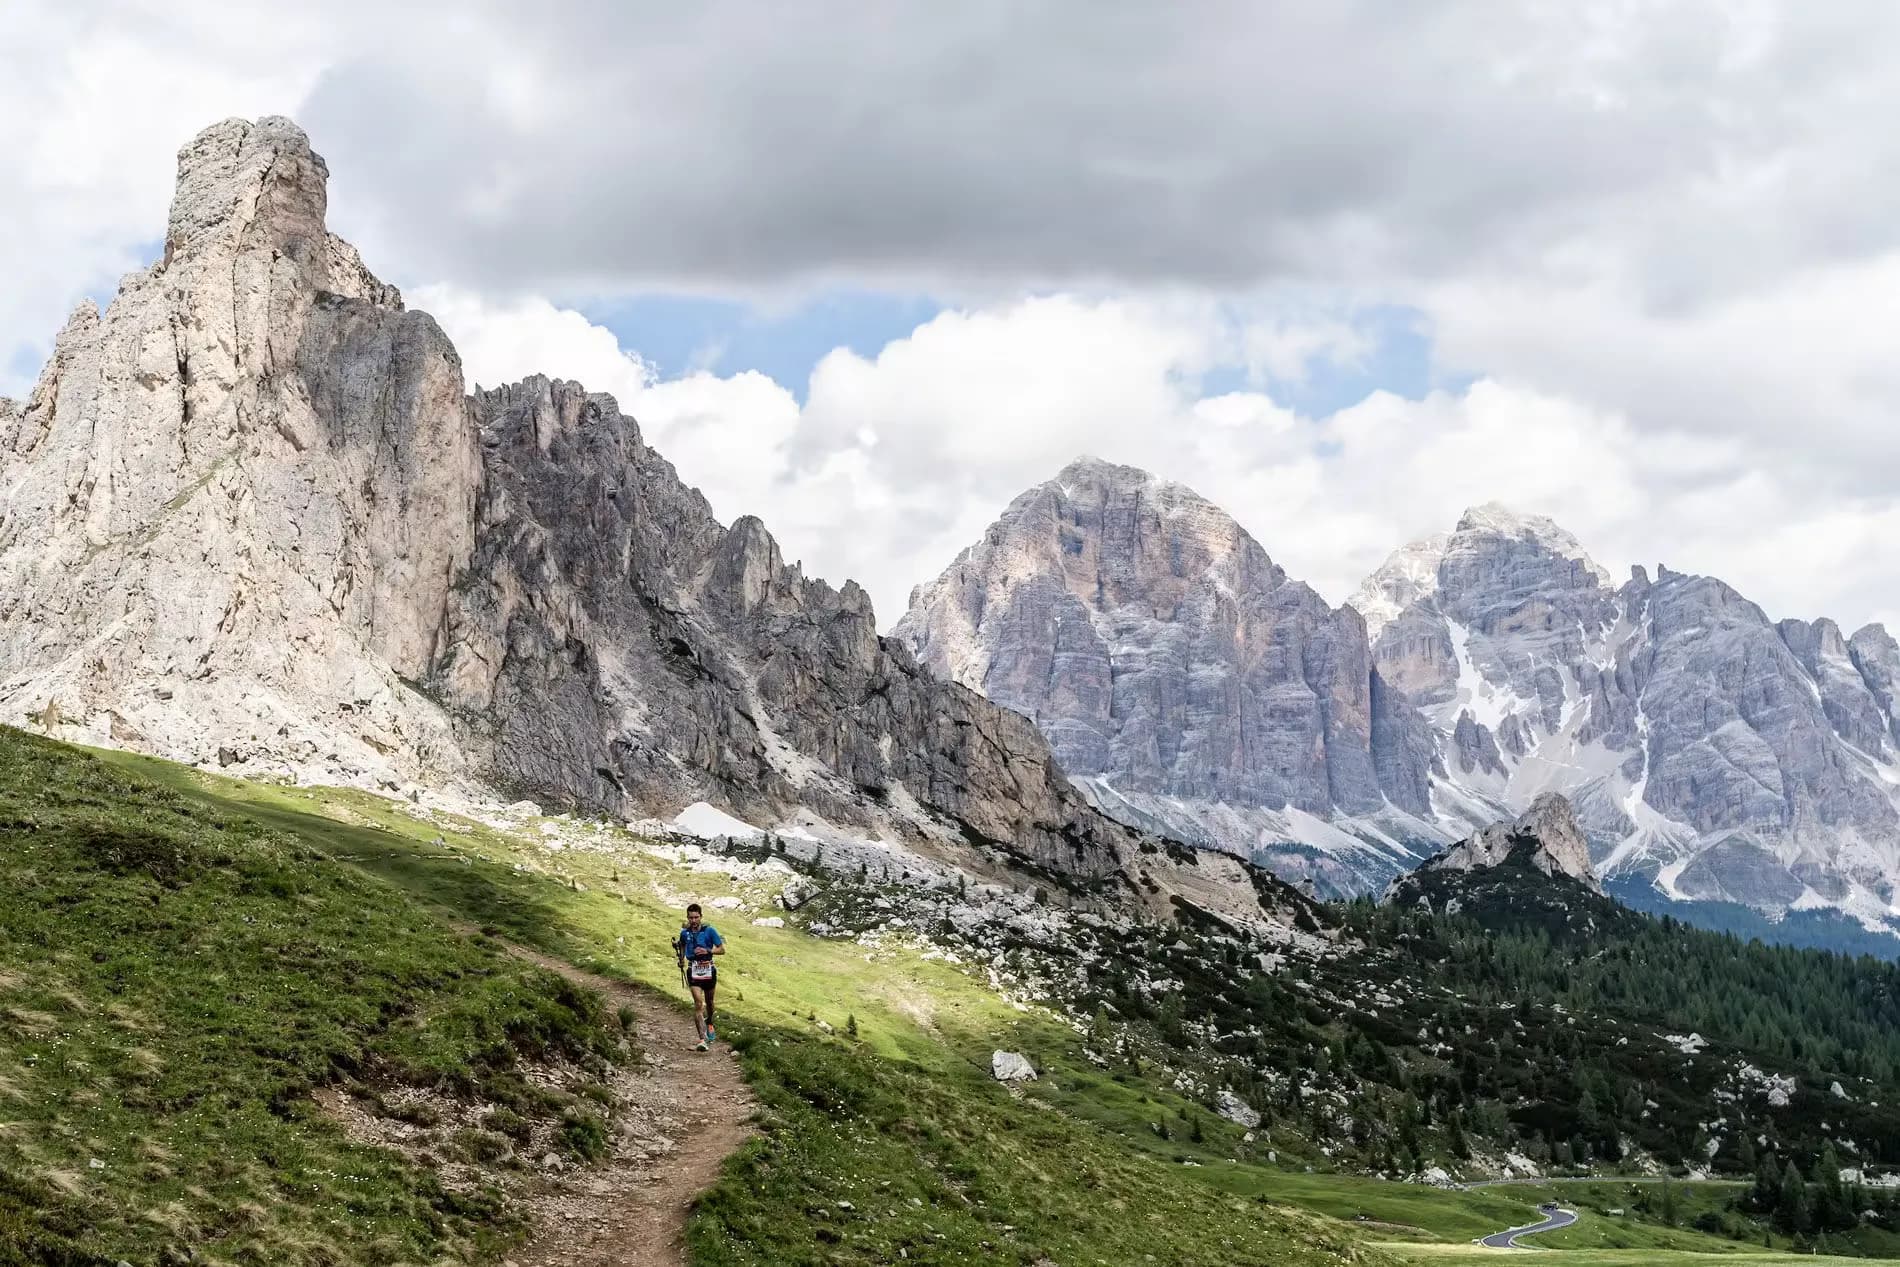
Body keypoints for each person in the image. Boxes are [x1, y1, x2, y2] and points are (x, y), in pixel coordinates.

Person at [674, 903, 726, 1051]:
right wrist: (681, 959)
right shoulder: (685, 933)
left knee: (710, 1002)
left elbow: (722, 949)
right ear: (687, 918)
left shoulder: (709, 931)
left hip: (708, 969)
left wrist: (708, 950)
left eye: (696, 917)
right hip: (693, 970)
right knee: (698, 1003)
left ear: (701, 917)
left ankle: (710, 1022)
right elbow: (682, 945)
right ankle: (702, 1039)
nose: (694, 920)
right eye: (691, 918)